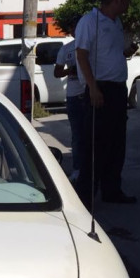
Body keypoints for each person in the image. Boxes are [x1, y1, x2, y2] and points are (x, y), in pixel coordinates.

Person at [75, 0, 140, 207]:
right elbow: (81, 54)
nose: (129, 3)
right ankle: (85, 197)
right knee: (95, 144)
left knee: (116, 143)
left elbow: (109, 53)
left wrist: (127, 52)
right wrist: (93, 87)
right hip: (100, 88)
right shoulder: (89, 21)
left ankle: (112, 190)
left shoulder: (117, 22)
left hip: (117, 89)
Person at [53, 16, 84, 182]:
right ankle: (78, 169)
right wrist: (69, 71)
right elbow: (56, 72)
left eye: (77, 27)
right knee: (77, 136)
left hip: (91, 93)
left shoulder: (92, 46)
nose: (74, 31)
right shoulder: (66, 49)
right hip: (74, 96)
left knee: (94, 134)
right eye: (73, 28)